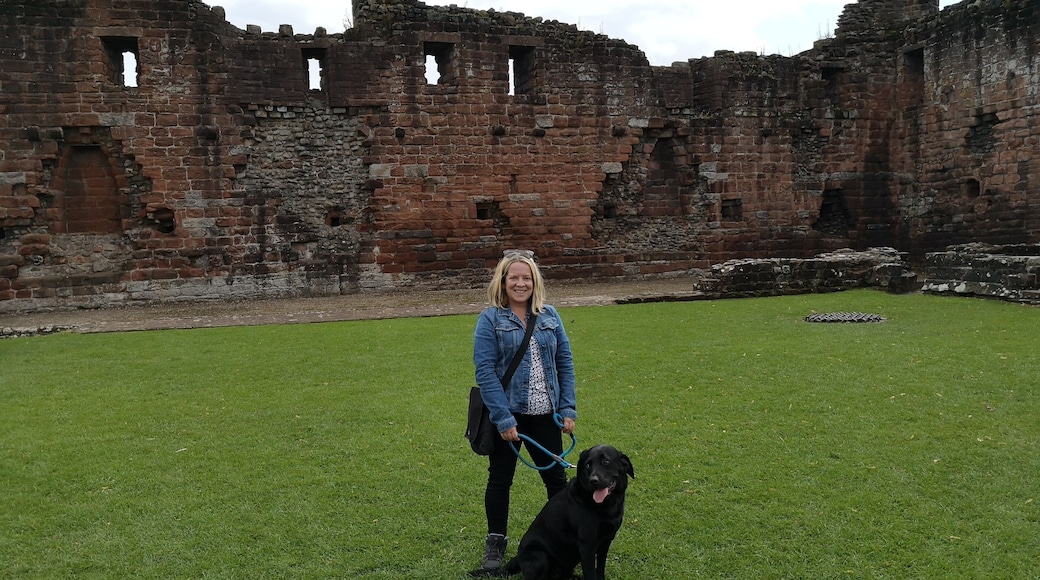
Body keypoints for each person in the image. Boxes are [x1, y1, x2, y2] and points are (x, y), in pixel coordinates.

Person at [471, 250, 577, 574]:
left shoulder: (550, 316)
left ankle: (563, 541)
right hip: (509, 415)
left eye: (526, 278)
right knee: (500, 480)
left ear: (535, 281)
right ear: (503, 282)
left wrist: (567, 407)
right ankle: (496, 543)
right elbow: (485, 372)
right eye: (513, 277)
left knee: (556, 480)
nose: (520, 283)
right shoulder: (490, 319)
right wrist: (503, 418)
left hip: (546, 415)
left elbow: (564, 363)